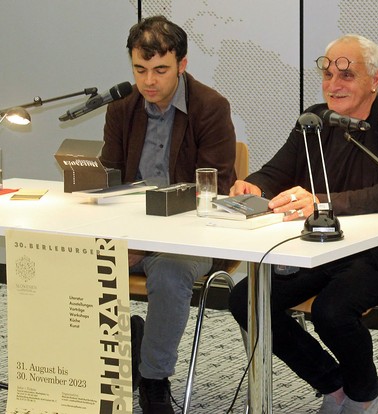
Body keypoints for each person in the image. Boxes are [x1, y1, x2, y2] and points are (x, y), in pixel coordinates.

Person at [228, 34, 378, 414]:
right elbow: (277, 170)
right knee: (248, 299)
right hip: (325, 247)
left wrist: (323, 202)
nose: (333, 83)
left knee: (332, 310)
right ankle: (333, 383)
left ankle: (364, 393)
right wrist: (253, 185)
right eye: (327, 73)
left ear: (373, 80)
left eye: (346, 74)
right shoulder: (315, 119)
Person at [99, 15, 237, 414]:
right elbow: (110, 184)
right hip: (128, 233)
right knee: (64, 256)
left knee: (171, 271)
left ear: (182, 64)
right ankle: (93, 360)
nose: (149, 82)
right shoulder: (122, 111)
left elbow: (215, 189)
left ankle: (155, 380)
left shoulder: (210, 108)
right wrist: (124, 237)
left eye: (160, 70)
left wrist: (143, 244)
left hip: (191, 236)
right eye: (140, 70)